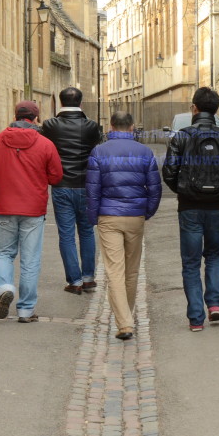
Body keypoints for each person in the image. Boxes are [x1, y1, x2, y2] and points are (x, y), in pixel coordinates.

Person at [162, 87, 219, 332]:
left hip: (189, 207)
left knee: (190, 262)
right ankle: (215, 306)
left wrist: (184, 190)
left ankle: (196, 318)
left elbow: (169, 172)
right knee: (213, 255)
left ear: (194, 109)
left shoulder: (181, 137)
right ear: (216, 110)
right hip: (217, 207)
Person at [0, 100, 63, 322]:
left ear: (15, 115)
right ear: (36, 119)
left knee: (3, 252)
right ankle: (26, 309)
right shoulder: (46, 144)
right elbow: (56, 176)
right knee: (30, 259)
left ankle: (5, 286)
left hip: (5, 206)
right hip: (33, 208)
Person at [85, 111, 162, 340]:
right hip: (135, 216)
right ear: (132, 127)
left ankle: (125, 322)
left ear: (111, 126)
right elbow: (155, 189)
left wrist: (93, 218)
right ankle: (126, 318)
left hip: (108, 216)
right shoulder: (145, 152)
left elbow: (92, 189)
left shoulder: (99, 152)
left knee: (114, 271)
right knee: (131, 270)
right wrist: (146, 212)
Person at [42, 87, 104, 295]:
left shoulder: (51, 125)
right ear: (81, 103)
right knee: (87, 232)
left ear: (60, 103)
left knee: (66, 234)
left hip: (61, 185)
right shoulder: (91, 126)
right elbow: (97, 148)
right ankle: (88, 278)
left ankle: (74, 281)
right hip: (86, 185)